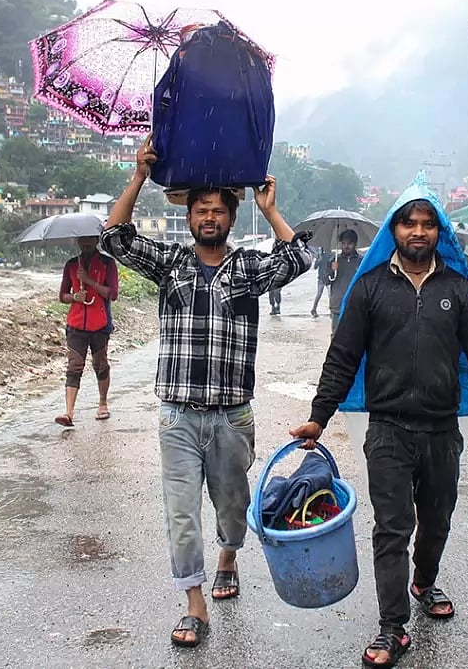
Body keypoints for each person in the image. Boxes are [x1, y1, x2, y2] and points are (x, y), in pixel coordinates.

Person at [290, 194, 468, 669]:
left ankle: (425, 581)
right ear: (395, 229)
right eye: (409, 223)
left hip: (441, 430)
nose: (418, 232)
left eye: (428, 224)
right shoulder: (370, 289)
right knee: (391, 528)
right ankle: (393, 626)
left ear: (438, 233)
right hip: (386, 427)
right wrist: (319, 416)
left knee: (437, 522)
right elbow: (343, 358)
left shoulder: (458, 289)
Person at [101, 137, 312, 648]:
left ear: (231, 218)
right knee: (180, 512)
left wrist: (271, 208)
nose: (210, 217)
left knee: (232, 506)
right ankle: (194, 603)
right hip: (177, 416)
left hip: (231, 417)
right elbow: (115, 238)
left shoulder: (246, 269)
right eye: (202, 209)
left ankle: (228, 557)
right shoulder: (171, 264)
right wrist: (137, 178)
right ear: (190, 217)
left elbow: (300, 258)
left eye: (218, 210)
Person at [55, 235, 120, 427]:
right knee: (74, 367)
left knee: (100, 364)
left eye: (90, 240)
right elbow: (62, 296)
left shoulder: (108, 264)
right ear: (77, 242)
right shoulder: (71, 265)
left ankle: (102, 403)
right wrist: (75, 296)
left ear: (96, 240)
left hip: (100, 324)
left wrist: (89, 281)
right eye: (82, 240)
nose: (86, 244)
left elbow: (112, 294)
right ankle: (68, 413)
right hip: (76, 325)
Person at [326, 229, 363, 335]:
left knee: (355, 335)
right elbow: (326, 280)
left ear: (355, 244)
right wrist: (332, 271)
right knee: (337, 335)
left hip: (356, 305)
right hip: (337, 305)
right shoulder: (334, 260)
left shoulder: (361, 262)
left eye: (349, 243)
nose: (346, 246)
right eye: (344, 243)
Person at [311, 247, 333, 317]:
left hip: (328, 278)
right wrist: (318, 260)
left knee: (330, 295)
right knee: (319, 294)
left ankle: (331, 310)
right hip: (321, 278)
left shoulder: (332, 256)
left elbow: (333, 268)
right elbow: (315, 267)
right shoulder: (321, 256)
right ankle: (313, 309)